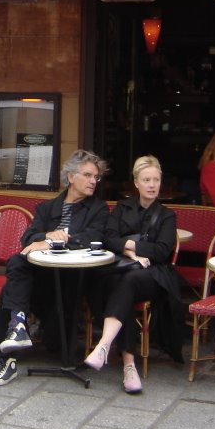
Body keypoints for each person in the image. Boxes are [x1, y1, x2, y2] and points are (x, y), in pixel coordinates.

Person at [0, 149, 110, 387]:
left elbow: (95, 237)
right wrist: (44, 237)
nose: (94, 181)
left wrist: (51, 240)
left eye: (96, 177)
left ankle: (15, 332)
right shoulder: (47, 208)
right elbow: (28, 238)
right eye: (88, 175)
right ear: (71, 177)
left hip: (74, 278)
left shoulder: (98, 209)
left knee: (15, 281)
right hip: (43, 276)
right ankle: (17, 330)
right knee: (18, 263)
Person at [84, 155, 185, 394]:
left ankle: (104, 344)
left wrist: (127, 245)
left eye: (156, 180)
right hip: (122, 271)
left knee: (127, 282)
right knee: (122, 286)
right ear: (136, 183)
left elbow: (161, 251)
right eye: (146, 179)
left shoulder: (167, 215)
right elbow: (107, 238)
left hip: (154, 275)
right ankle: (129, 366)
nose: (152, 185)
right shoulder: (122, 207)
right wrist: (133, 253)